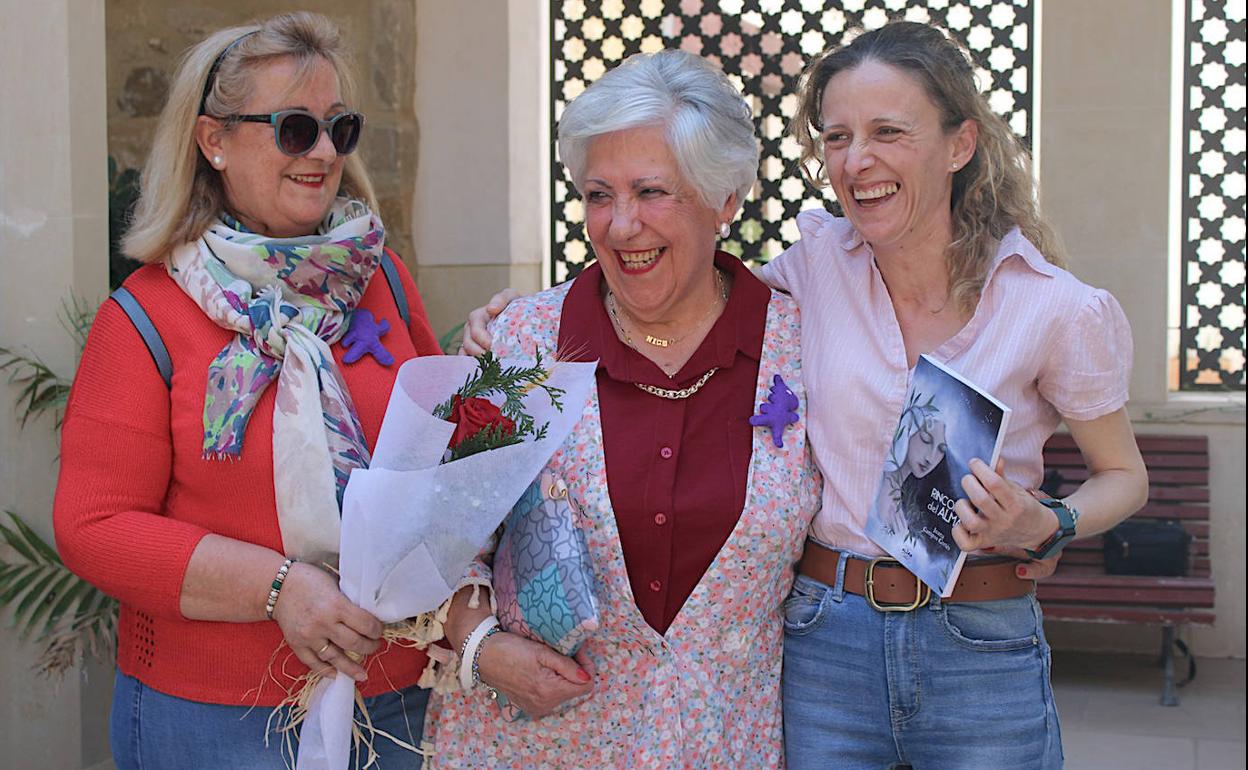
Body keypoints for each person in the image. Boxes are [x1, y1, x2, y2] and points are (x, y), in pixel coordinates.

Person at [463, 21, 1148, 770]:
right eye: (838, 137)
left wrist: (1051, 523)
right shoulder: (816, 269)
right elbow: (682, 285)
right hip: (829, 638)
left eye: (888, 132)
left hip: (977, 633)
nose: (858, 160)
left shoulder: (1053, 307)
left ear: (960, 144)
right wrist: (517, 327)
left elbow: (1123, 474)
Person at [53, 13, 440, 768]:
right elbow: (92, 525)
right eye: (295, 129)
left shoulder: (383, 280)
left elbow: (439, 456)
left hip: (396, 699)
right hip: (217, 721)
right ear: (214, 141)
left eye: (339, 128)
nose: (324, 152)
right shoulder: (144, 317)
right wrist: (277, 588)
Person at [422, 50, 821, 768]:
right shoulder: (525, 342)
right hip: (532, 748)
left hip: (721, 748)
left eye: (651, 192)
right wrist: (481, 646)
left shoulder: (801, 345)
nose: (621, 225)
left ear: (725, 199)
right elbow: (438, 540)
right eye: (600, 195)